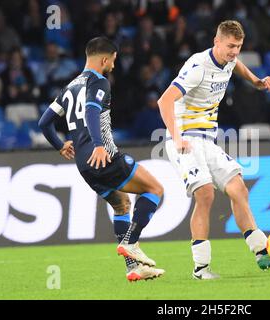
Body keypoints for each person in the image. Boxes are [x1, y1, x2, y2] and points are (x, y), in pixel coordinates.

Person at [157, 20, 270, 280]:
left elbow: (238, 67)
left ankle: (261, 252)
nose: (234, 52)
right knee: (205, 195)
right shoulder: (197, 67)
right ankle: (200, 269)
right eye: (230, 46)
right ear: (217, 42)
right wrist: (177, 137)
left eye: (239, 46)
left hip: (207, 140)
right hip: (184, 138)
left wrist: (256, 81)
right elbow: (164, 100)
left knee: (238, 188)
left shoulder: (230, 60)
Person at [38, 37, 165, 282]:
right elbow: (92, 110)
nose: (114, 66)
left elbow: (44, 123)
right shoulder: (99, 82)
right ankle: (132, 241)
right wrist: (98, 145)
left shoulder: (69, 87)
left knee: (122, 205)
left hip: (84, 165)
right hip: (103, 157)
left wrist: (59, 145)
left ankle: (133, 268)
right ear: (105, 59)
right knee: (155, 189)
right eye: (113, 61)